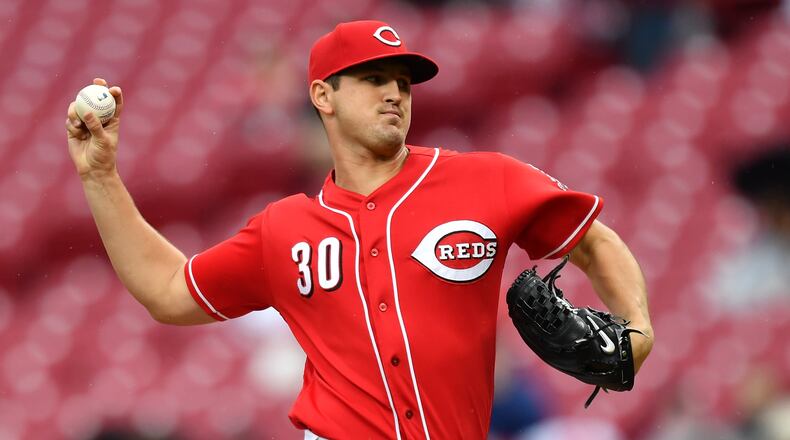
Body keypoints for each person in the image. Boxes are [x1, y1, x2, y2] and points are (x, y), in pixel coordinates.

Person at [65, 20, 653, 440]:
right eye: (373, 78)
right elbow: (169, 290)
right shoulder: (283, 229)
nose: (395, 91)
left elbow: (594, 242)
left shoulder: (487, 180)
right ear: (323, 95)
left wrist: (637, 329)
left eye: (402, 80)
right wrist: (101, 177)